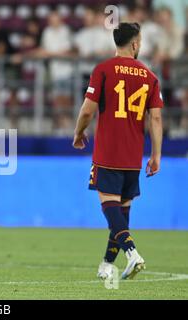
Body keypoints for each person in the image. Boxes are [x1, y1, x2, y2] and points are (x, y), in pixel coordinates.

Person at [73, 23, 163, 280]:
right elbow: (155, 119)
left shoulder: (103, 70)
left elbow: (88, 110)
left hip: (108, 150)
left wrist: (79, 133)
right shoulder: (149, 76)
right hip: (134, 155)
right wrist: (156, 155)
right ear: (135, 44)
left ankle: (132, 253)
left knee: (110, 207)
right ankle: (106, 264)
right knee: (121, 211)